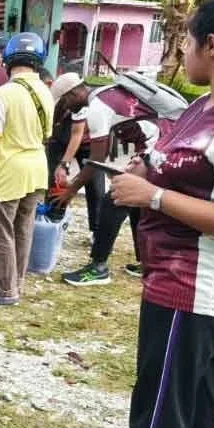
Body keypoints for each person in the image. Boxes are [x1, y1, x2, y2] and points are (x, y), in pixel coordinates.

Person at [48, 0, 214, 428]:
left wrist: (153, 194)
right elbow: (183, 170)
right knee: (207, 390)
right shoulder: (202, 109)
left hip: (193, 281)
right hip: (172, 273)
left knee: (162, 396)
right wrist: (145, 170)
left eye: (187, 40)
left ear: (213, 45)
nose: (183, 50)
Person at [56, 83, 174, 286]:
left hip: (160, 147)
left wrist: (71, 190)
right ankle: (146, 263)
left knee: (116, 199)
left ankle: (98, 267)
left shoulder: (97, 107)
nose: (66, 108)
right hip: (162, 143)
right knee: (137, 202)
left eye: (64, 101)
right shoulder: (106, 94)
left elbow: (97, 158)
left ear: (73, 92)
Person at [0, 32, 53, 306]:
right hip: (37, 168)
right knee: (23, 229)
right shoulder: (45, 91)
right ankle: (15, 281)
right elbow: (47, 134)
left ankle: (6, 291)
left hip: (9, 172)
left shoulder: (3, 94)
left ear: (8, 59)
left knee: (2, 232)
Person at [45, 73, 97, 221]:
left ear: (72, 93)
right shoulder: (57, 100)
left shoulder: (86, 101)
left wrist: (64, 164)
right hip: (60, 139)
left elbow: (77, 134)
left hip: (88, 142)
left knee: (94, 184)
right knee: (54, 179)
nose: (66, 105)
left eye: (66, 101)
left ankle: (96, 227)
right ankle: (53, 215)